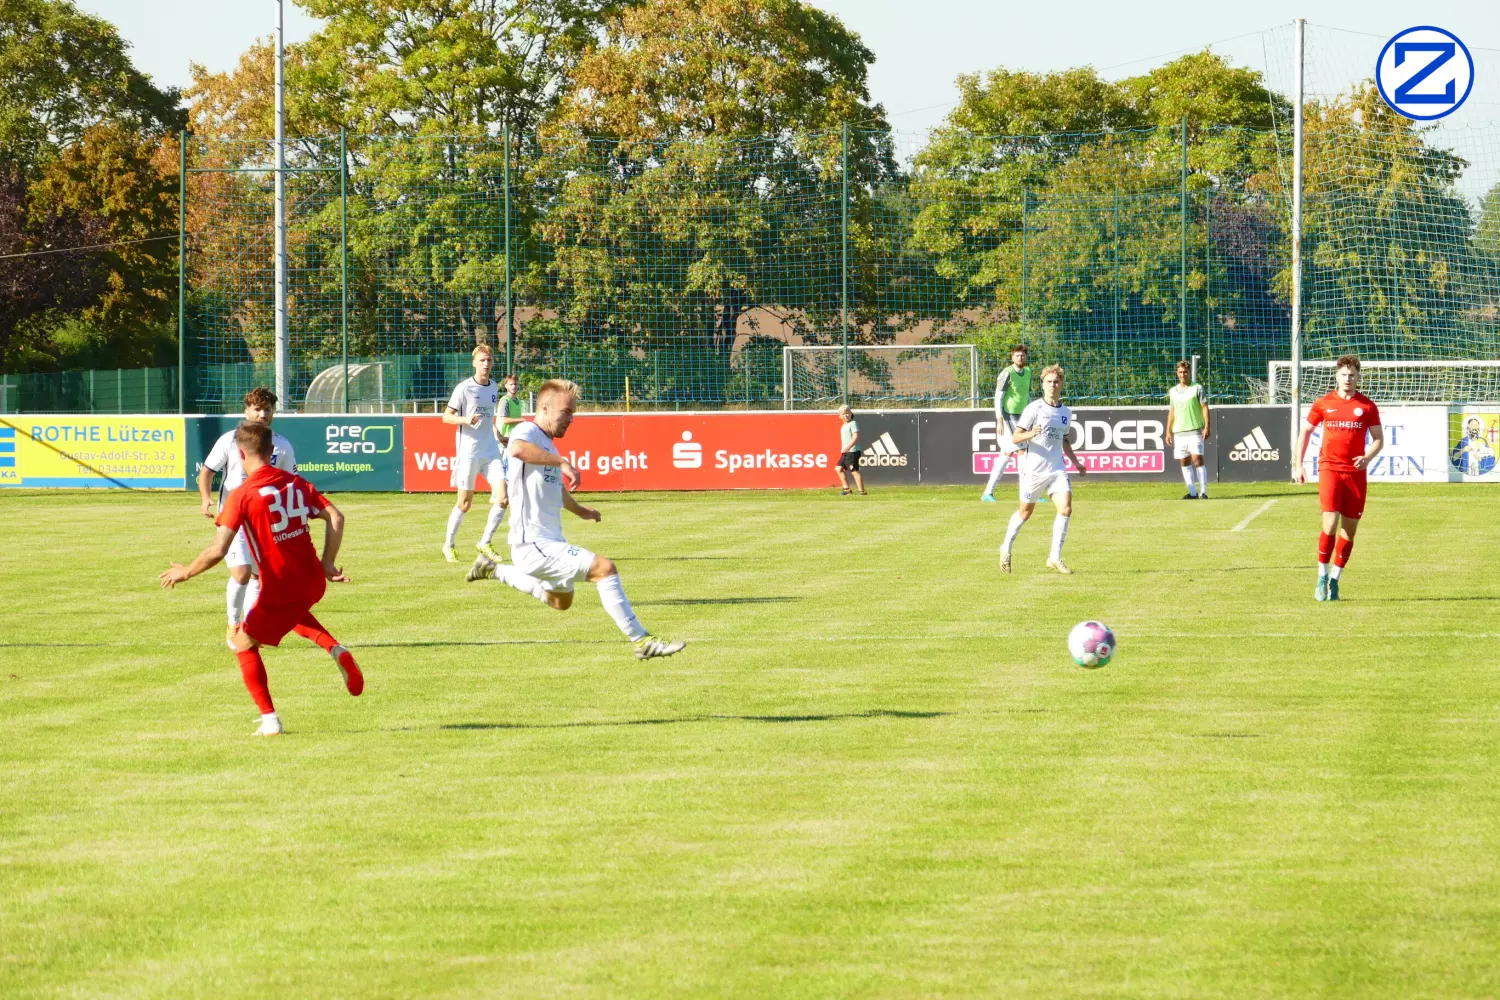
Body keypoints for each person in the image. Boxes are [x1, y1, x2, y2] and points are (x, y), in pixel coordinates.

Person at [162, 421, 362, 736]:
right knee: (292, 613)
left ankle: (270, 721)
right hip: (311, 580)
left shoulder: (242, 495)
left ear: (241, 454)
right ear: (273, 451)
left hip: (279, 585)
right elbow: (336, 516)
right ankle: (336, 649)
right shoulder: (297, 483)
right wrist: (327, 563)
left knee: (242, 645)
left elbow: (218, 549)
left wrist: (185, 571)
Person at [466, 379, 685, 660]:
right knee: (604, 568)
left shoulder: (548, 447)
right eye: (566, 412)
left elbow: (555, 490)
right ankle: (642, 640)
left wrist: (580, 510)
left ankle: (493, 570)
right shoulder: (527, 431)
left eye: (573, 413)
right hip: (533, 544)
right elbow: (516, 449)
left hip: (546, 543)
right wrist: (562, 463)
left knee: (560, 602)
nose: (571, 419)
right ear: (544, 407)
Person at [197, 388, 298, 637]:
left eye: (267, 409)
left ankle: (250, 628)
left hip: (264, 519)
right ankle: (233, 624)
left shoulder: (281, 445)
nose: (263, 414)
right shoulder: (230, 440)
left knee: (258, 575)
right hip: (234, 516)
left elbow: (290, 481)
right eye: (257, 408)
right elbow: (208, 470)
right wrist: (206, 498)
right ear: (246, 411)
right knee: (241, 572)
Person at [1294, 355, 1384, 602]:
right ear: (1336, 376)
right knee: (1330, 524)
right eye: (1344, 374)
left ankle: (1335, 578)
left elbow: (1378, 439)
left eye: (1352, 375)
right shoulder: (1323, 403)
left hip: (1355, 475)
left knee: (1349, 532)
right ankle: (1321, 576)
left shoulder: (1367, 406)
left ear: (1358, 377)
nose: (1348, 379)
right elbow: (1305, 431)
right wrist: (1298, 465)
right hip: (1330, 469)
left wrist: (1367, 457)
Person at [999, 364, 1087, 575]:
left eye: (1056, 382)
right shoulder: (1034, 408)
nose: (1052, 385)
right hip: (1034, 470)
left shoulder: (1066, 412)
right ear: (1042, 384)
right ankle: (1006, 548)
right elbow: (1016, 437)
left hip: (1057, 468)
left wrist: (1076, 462)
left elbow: (1065, 440)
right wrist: (1031, 434)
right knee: (1025, 512)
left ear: (1061, 384)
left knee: (1065, 508)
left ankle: (1054, 557)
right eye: (1048, 382)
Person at [441, 344, 507, 563]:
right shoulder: (464, 388)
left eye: (488, 360)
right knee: (465, 504)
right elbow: (446, 417)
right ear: (474, 363)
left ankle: (485, 542)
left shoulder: (494, 387)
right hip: (469, 452)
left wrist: (498, 434)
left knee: (503, 498)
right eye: (482, 360)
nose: (486, 364)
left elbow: (489, 418)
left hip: (490, 451)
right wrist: (465, 419)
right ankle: (448, 545)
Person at [980, 344, 1033, 502]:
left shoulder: (1028, 371)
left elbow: (1026, 394)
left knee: (1007, 453)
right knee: (1022, 451)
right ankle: (1026, 495)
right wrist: (999, 419)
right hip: (1008, 416)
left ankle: (988, 492)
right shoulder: (1007, 373)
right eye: (1017, 355)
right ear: (1012, 357)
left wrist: (1032, 412)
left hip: (1022, 416)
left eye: (1022, 355)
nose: (1020, 358)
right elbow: (998, 396)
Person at [1164, 360, 1211, 499]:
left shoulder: (1197, 388)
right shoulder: (1173, 391)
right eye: (1180, 372)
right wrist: (1168, 431)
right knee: (1184, 462)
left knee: (1197, 460)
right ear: (1176, 373)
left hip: (1195, 430)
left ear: (1189, 372)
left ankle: (1203, 492)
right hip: (1179, 432)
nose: (1183, 374)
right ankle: (1192, 493)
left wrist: (1207, 426)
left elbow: (1204, 407)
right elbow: (1172, 412)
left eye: (1185, 372)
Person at [835, 404, 866, 496]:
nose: (846, 415)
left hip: (853, 451)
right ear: (840, 416)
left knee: (854, 471)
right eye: (843, 414)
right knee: (838, 469)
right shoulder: (844, 426)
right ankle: (847, 489)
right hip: (846, 452)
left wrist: (848, 447)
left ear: (850, 413)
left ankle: (862, 492)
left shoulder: (853, 423)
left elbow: (856, 437)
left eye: (847, 413)